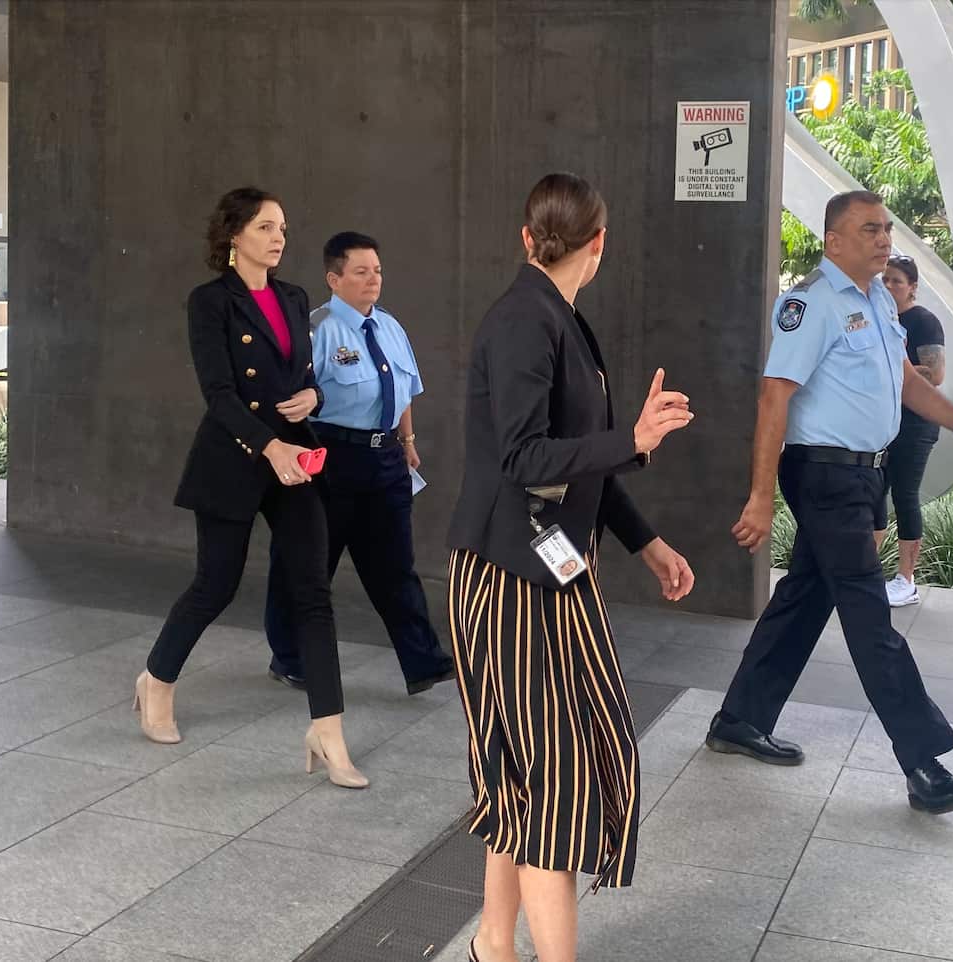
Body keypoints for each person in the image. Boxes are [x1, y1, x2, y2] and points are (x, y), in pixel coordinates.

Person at [447, 172, 695, 962]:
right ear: (598, 244)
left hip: (549, 575)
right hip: (510, 579)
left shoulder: (559, 319)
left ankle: (494, 941)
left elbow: (580, 467)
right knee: (553, 776)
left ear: (529, 237)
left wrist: (645, 541)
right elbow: (526, 457)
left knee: (538, 767)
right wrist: (634, 439)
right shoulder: (526, 319)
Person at [712, 190, 953, 814]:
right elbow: (774, 399)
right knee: (868, 613)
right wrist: (761, 498)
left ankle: (738, 718)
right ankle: (922, 762)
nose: (884, 239)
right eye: (869, 229)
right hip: (823, 475)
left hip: (861, 477)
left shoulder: (880, 300)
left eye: (887, 229)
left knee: (804, 596)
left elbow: (906, 382)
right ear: (834, 242)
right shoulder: (810, 305)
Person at [135, 187, 367, 790]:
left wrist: (314, 395)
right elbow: (219, 394)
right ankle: (156, 681)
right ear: (235, 234)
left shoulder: (293, 297)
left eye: (283, 228)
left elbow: (304, 371)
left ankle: (329, 731)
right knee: (216, 584)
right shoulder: (209, 303)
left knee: (312, 592)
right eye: (266, 227)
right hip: (237, 460)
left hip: (294, 463)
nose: (279, 237)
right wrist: (271, 445)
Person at [264, 232, 457, 694]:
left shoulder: (390, 326)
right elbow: (293, 398)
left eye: (378, 270)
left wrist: (406, 440)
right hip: (332, 457)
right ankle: (290, 658)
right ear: (335, 278)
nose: (374, 279)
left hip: (386, 457)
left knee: (396, 566)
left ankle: (422, 663)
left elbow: (405, 389)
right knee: (308, 563)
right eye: (361, 271)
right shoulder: (317, 329)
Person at [874, 254, 946, 607]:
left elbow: (934, 375)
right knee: (872, 494)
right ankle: (865, 573)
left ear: (912, 287)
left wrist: (894, 367)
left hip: (915, 425)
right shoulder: (874, 319)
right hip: (879, 424)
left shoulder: (924, 322)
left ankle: (906, 580)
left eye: (897, 281)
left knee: (904, 496)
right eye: (884, 279)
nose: (888, 286)